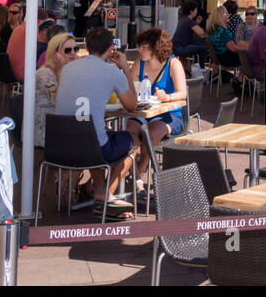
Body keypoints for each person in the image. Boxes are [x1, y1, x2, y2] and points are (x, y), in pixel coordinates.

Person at [54, 27, 138, 217]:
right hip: (92, 147)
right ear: (111, 48)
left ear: (86, 46)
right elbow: (132, 105)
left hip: (60, 147)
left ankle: (99, 190)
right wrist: (126, 68)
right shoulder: (112, 72)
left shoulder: (67, 69)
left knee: (98, 134)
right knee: (133, 140)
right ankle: (105, 194)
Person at [127, 28, 188, 188]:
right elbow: (132, 90)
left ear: (156, 48)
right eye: (139, 46)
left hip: (170, 115)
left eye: (144, 47)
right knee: (130, 131)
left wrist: (168, 97)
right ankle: (136, 177)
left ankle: (138, 173)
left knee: (152, 132)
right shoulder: (139, 64)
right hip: (143, 112)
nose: (139, 50)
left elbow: (182, 93)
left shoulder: (173, 64)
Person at [35, 32, 80, 149]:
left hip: (65, 125)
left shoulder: (69, 71)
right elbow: (61, 100)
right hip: (47, 132)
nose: (73, 53)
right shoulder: (44, 74)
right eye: (67, 50)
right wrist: (60, 70)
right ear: (55, 54)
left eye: (75, 49)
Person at [205, 5, 241, 77]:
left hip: (217, 58)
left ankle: (241, 78)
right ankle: (241, 79)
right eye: (226, 14)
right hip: (226, 59)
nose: (228, 15)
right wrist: (245, 48)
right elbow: (233, 49)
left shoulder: (212, 30)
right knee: (247, 57)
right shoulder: (223, 32)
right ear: (220, 17)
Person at [170, 0, 208, 65]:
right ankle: (199, 68)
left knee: (197, 47)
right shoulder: (189, 21)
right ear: (191, 11)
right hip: (181, 48)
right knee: (203, 49)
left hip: (175, 47)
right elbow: (201, 33)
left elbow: (190, 28)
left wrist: (196, 23)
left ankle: (195, 66)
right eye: (195, 10)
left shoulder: (183, 19)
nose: (196, 12)